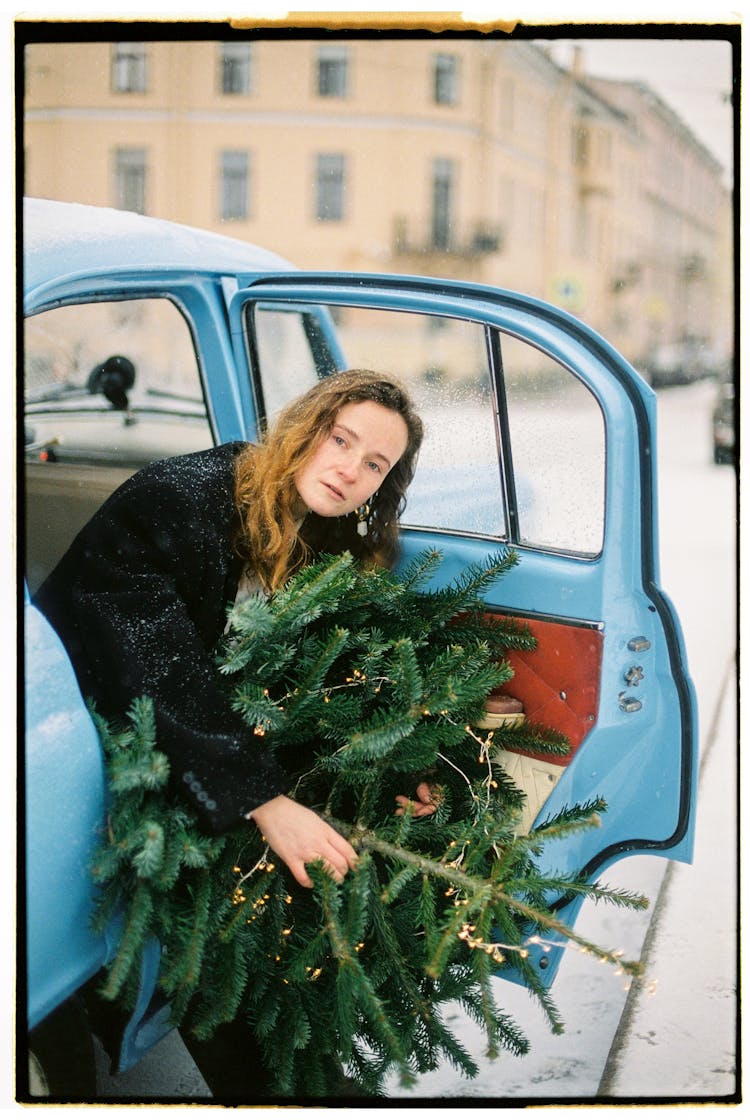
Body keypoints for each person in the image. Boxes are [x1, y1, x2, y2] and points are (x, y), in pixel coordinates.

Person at [34, 368, 435, 1097]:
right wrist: (266, 802)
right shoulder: (178, 499)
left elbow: (316, 675)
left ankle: (299, 1064)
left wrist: (392, 771)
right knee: (214, 895)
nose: (351, 468)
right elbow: (154, 671)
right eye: (339, 440)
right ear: (301, 429)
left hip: (189, 733)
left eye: (375, 463)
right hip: (75, 729)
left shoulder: (326, 532)